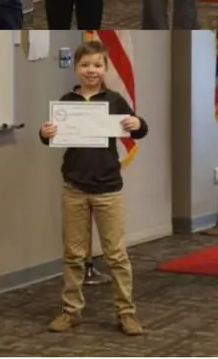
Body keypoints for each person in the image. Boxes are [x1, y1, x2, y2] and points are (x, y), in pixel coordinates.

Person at [39, 40, 148, 335]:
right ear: (76, 68)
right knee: (74, 255)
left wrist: (136, 123)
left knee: (116, 255)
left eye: (97, 65)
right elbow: (52, 139)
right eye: (85, 65)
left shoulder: (114, 100)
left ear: (105, 68)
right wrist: (44, 132)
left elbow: (141, 129)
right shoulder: (66, 102)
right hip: (74, 188)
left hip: (108, 189)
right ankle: (70, 311)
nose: (91, 70)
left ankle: (126, 313)